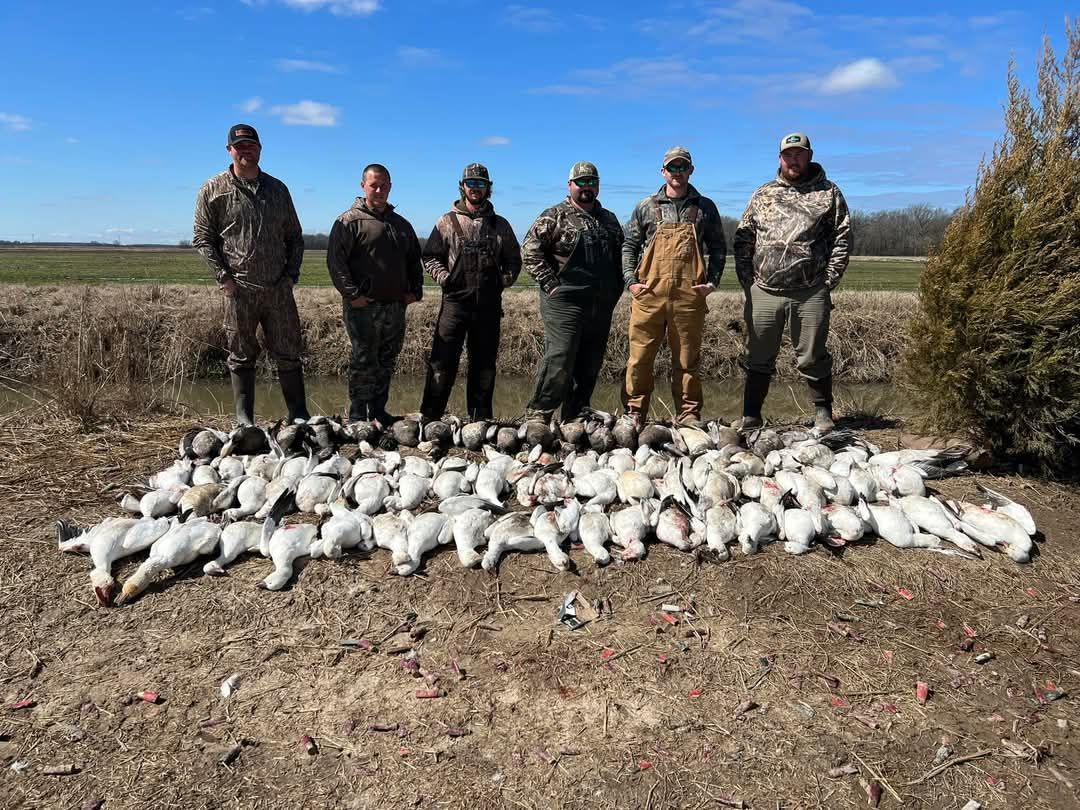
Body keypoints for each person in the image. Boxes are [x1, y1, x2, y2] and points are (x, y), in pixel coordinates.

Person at [192, 123, 309, 426]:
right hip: (240, 290)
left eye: (251, 145)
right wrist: (224, 278)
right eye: (240, 146)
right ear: (229, 150)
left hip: (278, 291)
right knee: (241, 354)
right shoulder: (212, 189)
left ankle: (298, 415)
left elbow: (295, 237)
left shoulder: (278, 189)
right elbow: (203, 238)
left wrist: (290, 277)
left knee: (289, 353)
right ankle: (245, 420)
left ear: (260, 149)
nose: (246, 150)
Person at [733, 132, 851, 432]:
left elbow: (843, 238)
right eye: (788, 154)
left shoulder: (829, 192)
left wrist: (828, 280)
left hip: (810, 291)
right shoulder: (763, 194)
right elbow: (744, 238)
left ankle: (823, 414)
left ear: (809, 155)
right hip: (764, 290)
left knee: (812, 355)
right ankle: (751, 415)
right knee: (758, 354)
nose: (793, 159)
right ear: (780, 157)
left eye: (799, 153)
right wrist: (749, 283)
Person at [622, 146, 727, 427]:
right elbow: (629, 246)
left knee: (687, 360)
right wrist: (631, 283)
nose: (677, 172)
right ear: (663, 171)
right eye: (672, 167)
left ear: (691, 170)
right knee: (639, 358)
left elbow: (718, 247)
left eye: (682, 167)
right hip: (649, 294)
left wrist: (711, 282)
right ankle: (635, 412)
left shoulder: (704, 207)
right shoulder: (646, 206)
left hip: (688, 297)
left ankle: (689, 414)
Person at [521, 161, 624, 423]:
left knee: (591, 359)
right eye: (581, 182)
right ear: (570, 185)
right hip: (564, 300)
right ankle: (540, 413)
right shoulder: (554, 215)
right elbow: (529, 251)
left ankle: (576, 414)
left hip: (600, 302)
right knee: (560, 355)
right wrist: (551, 284)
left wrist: (617, 288)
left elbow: (622, 255)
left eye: (591, 182)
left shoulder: (609, 219)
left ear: (598, 185)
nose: (586, 187)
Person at [419, 163, 521, 421]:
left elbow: (513, 259)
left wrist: (504, 280)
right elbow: (430, 256)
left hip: (488, 305)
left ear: (489, 188)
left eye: (480, 184)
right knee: (442, 364)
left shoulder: (501, 225)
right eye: (471, 183)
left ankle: (480, 421)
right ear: (462, 187)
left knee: (484, 367)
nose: (475, 188)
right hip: (455, 304)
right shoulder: (447, 221)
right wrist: (444, 279)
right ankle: (431, 419)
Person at [326, 163, 423, 424]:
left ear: (390, 187)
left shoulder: (401, 224)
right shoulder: (348, 221)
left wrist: (415, 291)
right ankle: (358, 415)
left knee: (387, 359)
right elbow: (336, 263)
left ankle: (379, 411)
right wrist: (352, 295)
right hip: (362, 307)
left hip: (395, 306)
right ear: (363, 186)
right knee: (363, 358)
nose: (379, 190)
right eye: (373, 185)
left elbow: (415, 260)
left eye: (384, 186)